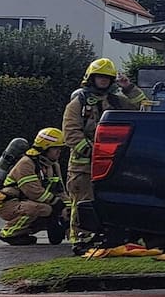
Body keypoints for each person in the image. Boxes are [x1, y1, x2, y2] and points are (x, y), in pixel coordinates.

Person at [62, 58, 147, 253]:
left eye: (107, 77)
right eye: (100, 76)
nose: (103, 80)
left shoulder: (116, 101)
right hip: (83, 166)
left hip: (112, 165)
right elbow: (71, 134)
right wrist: (95, 152)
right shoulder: (78, 103)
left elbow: (144, 108)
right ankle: (80, 240)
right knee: (82, 201)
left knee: (108, 201)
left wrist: (128, 88)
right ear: (91, 78)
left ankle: (107, 236)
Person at [0, 127, 67, 245]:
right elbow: (33, 191)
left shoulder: (53, 166)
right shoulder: (26, 163)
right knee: (44, 209)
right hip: (9, 204)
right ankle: (8, 233)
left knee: (56, 209)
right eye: (56, 148)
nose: (59, 152)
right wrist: (56, 202)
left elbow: (60, 191)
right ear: (45, 148)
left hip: (29, 202)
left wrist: (68, 208)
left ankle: (22, 233)